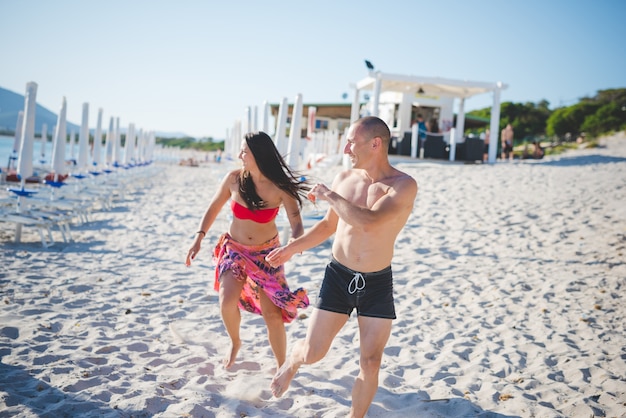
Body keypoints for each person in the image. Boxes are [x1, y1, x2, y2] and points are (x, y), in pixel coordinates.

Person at [266, 116, 418, 418]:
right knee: (313, 353)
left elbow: (369, 220)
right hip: (338, 276)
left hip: (376, 283)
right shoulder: (345, 178)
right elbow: (328, 226)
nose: (346, 147)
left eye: (352, 141)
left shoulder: (403, 185)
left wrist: (329, 196)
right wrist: (290, 249)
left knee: (371, 361)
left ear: (375, 144)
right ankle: (293, 362)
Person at [185, 131, 311, 369]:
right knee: (226, 302)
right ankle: (235, 342)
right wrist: (199, 237)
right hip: (234, 250)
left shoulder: (279, 186)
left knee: (272, 317)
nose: (239, 155)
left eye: (244, 151)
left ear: (259, 155)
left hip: (267, 256)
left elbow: (296, 222)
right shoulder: (233, 179)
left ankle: (282, 365)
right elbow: (213, 208)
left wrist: (294, 244)